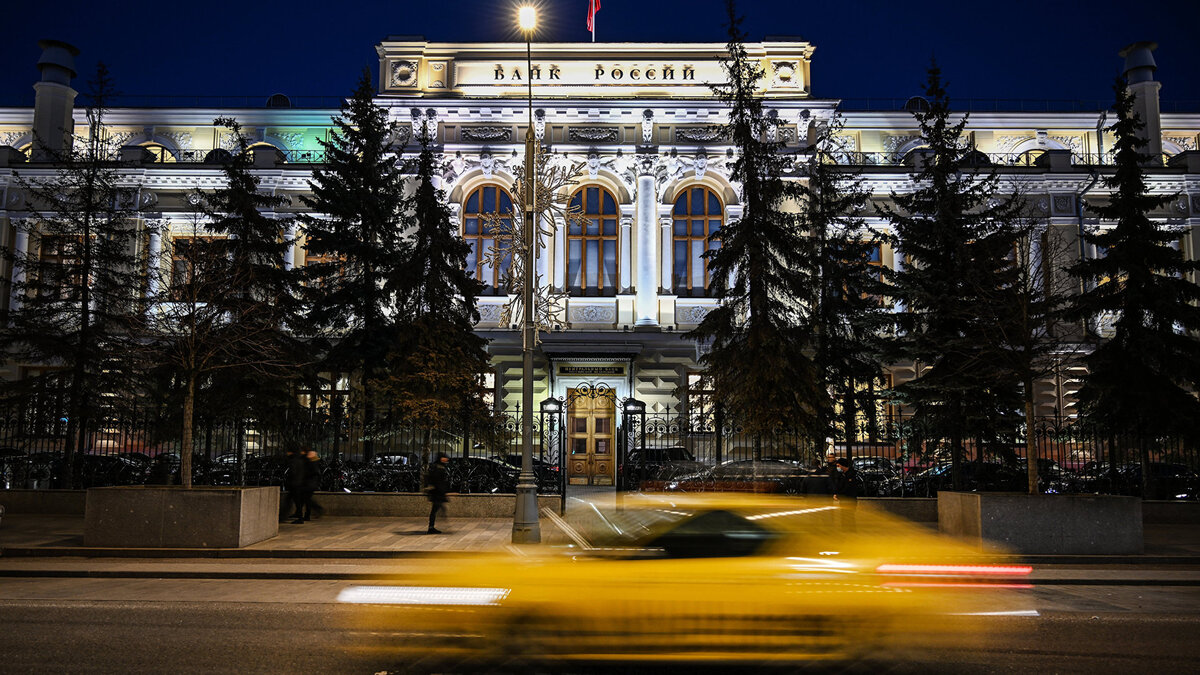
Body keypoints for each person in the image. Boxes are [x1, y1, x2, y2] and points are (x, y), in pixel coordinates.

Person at [424, 453, 450, 534]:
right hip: (437, 492)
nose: (446, 459)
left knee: (436, 509)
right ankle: (431, 527)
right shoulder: (437, 467)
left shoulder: (439, 466)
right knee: (435, 509)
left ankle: (432, 526)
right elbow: (437, 481)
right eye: (444, 458)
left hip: (438, 492)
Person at [284, 447, 307, 523]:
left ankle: (299, 517)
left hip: (295, 483)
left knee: (296, 501)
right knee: (296, 501)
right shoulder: (300, 460)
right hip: (298, 483)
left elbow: (293, 472)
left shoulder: (294, 460)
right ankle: (298, 515)